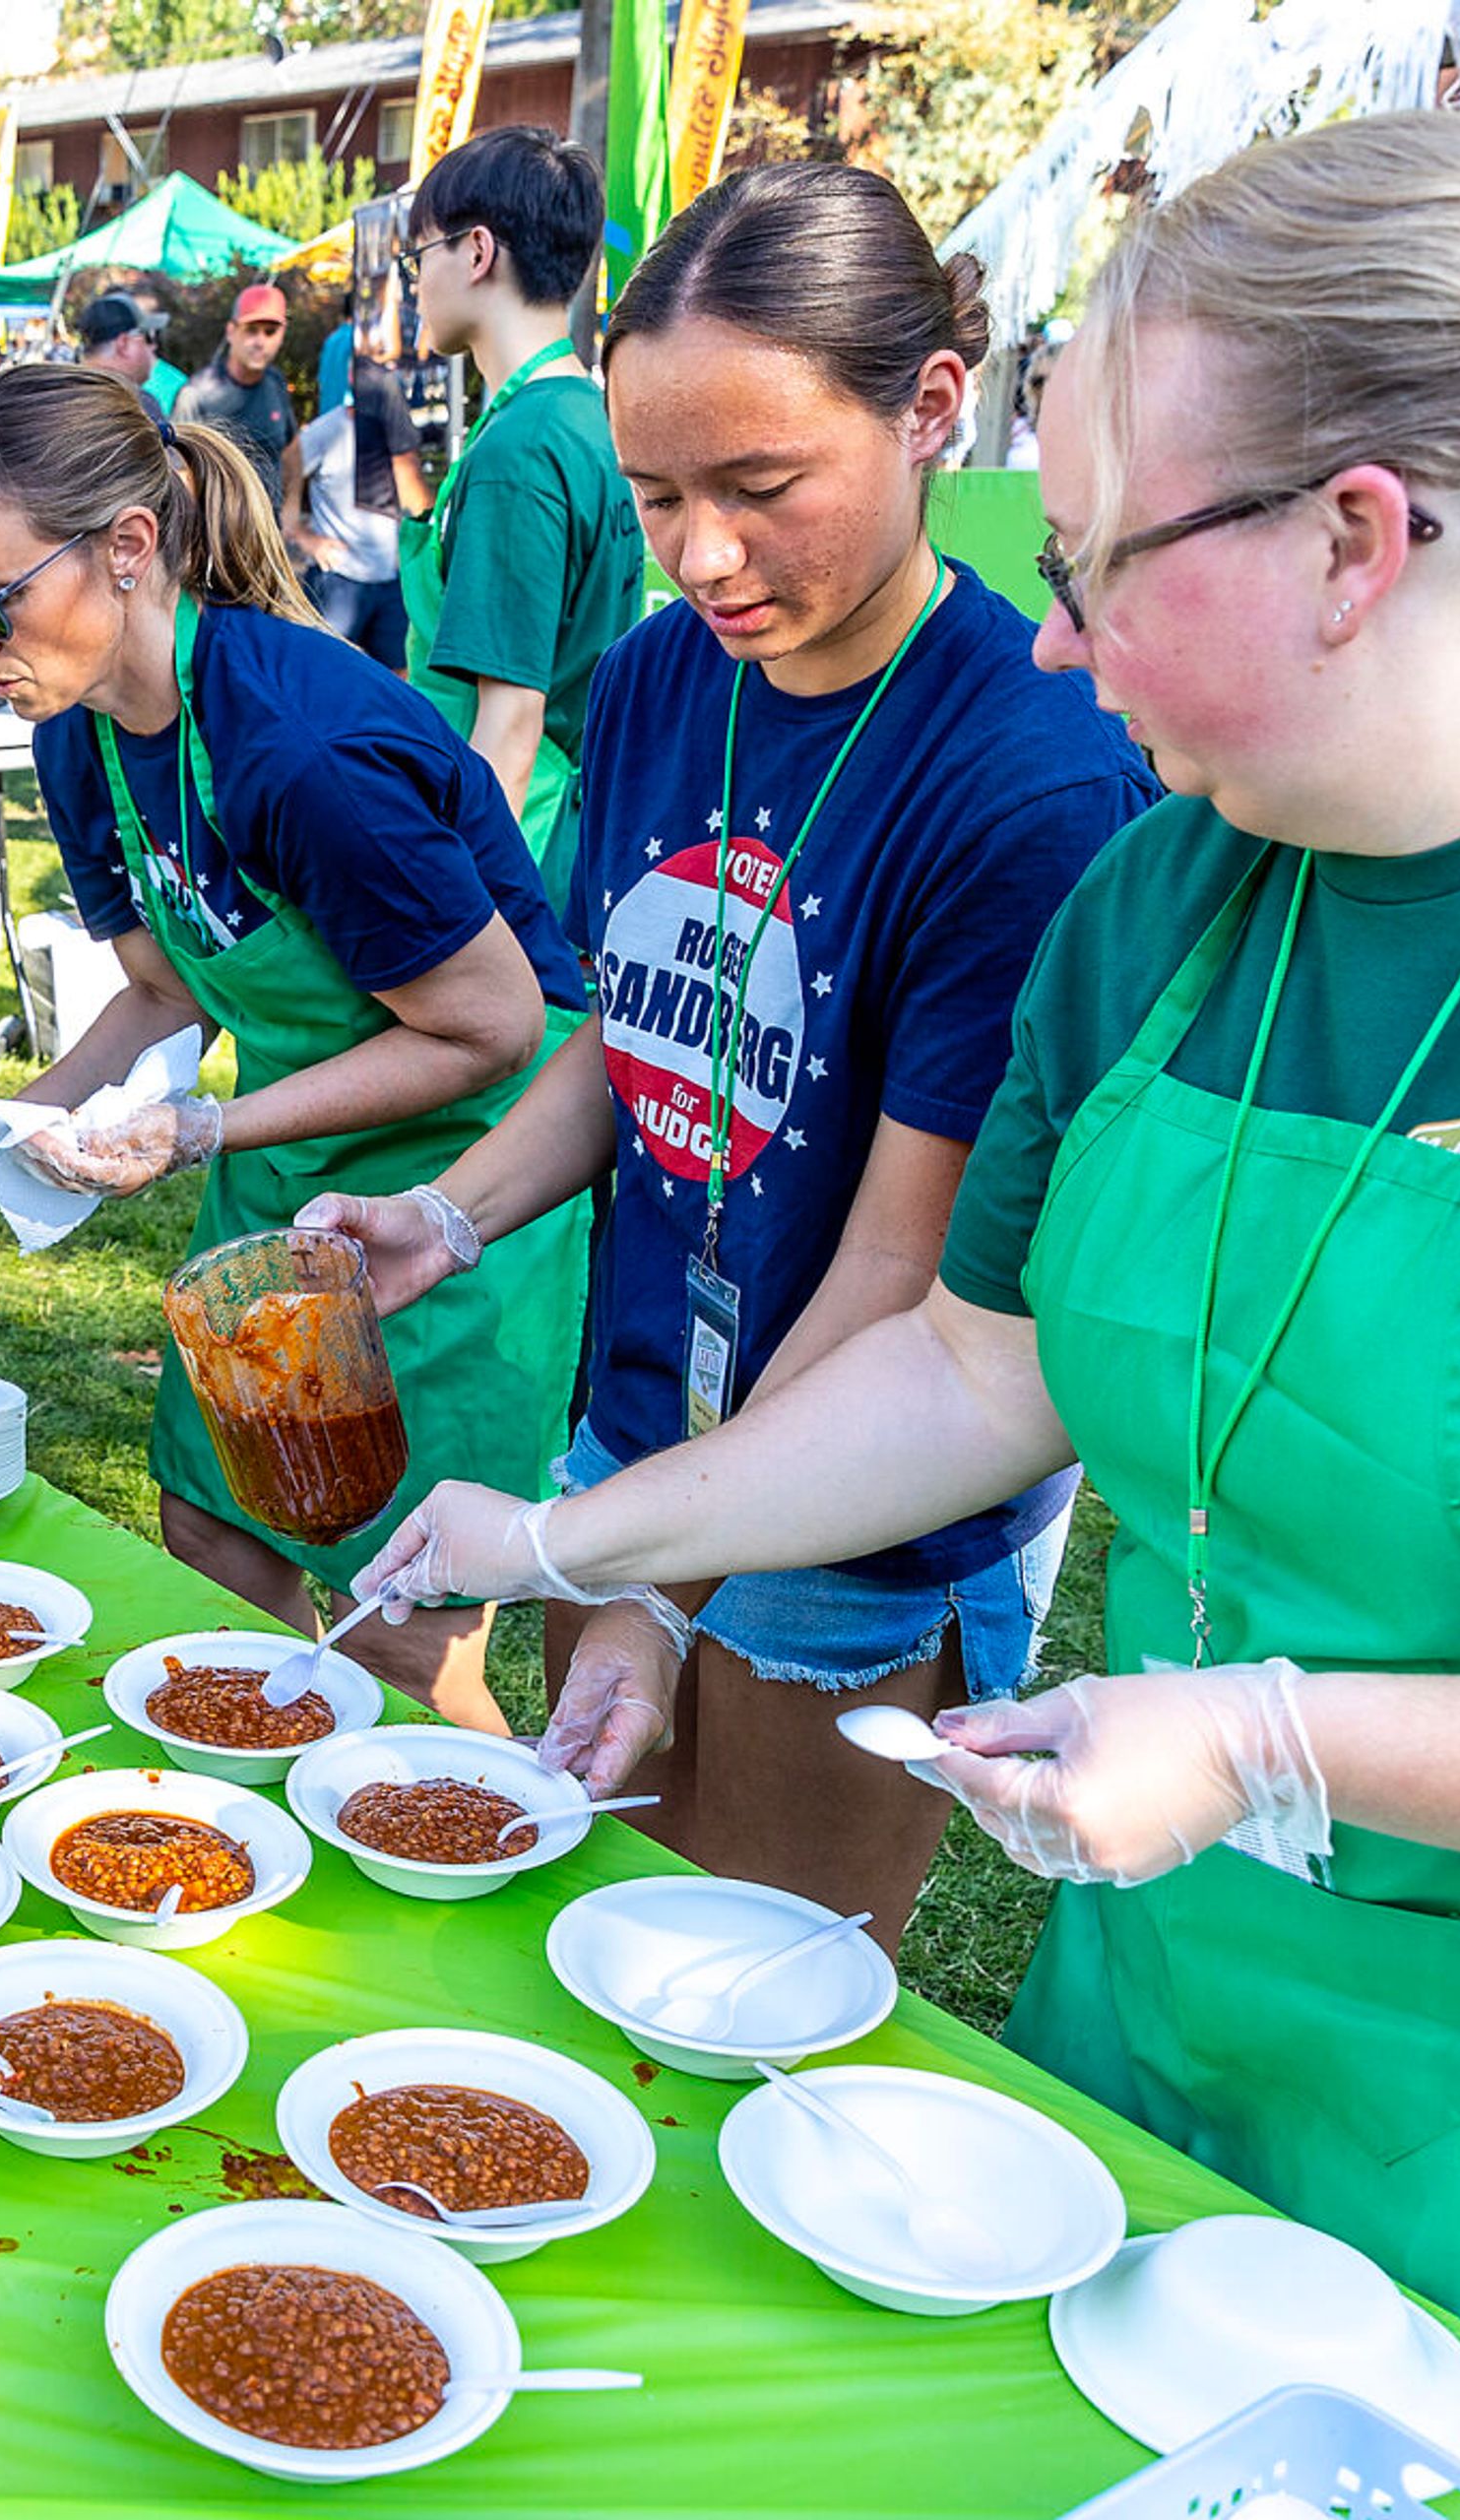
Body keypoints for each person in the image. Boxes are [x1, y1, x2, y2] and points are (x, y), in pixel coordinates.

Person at [354, 111, 1460, 2520]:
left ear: (1357, 536)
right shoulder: (1167, 885)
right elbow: (968, 1361)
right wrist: (580, 1544)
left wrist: (1266, 1736)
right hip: (1197, 2003)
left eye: (1093, 556)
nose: (1047, 635)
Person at [298, 162, 1155, 1923]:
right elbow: (635, 1025)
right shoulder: (664, 677)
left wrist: (671, 1576)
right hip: (639, 1431)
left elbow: (904, 1266)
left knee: (753, 1982)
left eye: (763, 488)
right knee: (599, 1927)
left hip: (850, 1501)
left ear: (930, 411)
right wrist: (457, 1210)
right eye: (658, 493)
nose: (704, 555)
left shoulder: (1029, 777)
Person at [0, 363, 590, 1727]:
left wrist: (203, 1127)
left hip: (466, 1176)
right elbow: (155, 993)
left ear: (127, 547)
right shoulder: (80, 733)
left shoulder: (301, 745)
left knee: (402, 1627)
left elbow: (489, 1025)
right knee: (218, 1531)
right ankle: (290, 1797)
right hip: (285, 1163)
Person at [400, 125, 647, 921]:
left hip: (519, 852)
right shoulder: (593, 417)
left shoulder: (519, 448)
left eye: (418, 259)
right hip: (582, 834)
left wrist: (459, 921)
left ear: (476, 253)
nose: (415, 286)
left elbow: (509, 725)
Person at [282, 347, 422, 671]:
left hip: (389, 578)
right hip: (340, 579)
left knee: (400, 676)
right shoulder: (328, 430)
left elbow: (411, 492)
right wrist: (302, 535)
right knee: (325, 673)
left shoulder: (396, 428)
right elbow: (289, 462)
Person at [174, 282, 296, 510]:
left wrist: (292, 506)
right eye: (251, 330)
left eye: (270, 332)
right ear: (231, 331)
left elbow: (292, 447)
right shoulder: (197, 395)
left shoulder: (276, 383)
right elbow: (179, 474)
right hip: (217, 534)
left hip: (270, 528)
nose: (261, 342)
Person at [74, 289, 178, 415]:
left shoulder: (58, 392)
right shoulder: (137, 407)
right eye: (148, 337)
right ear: (123, 344)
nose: (153, 346)